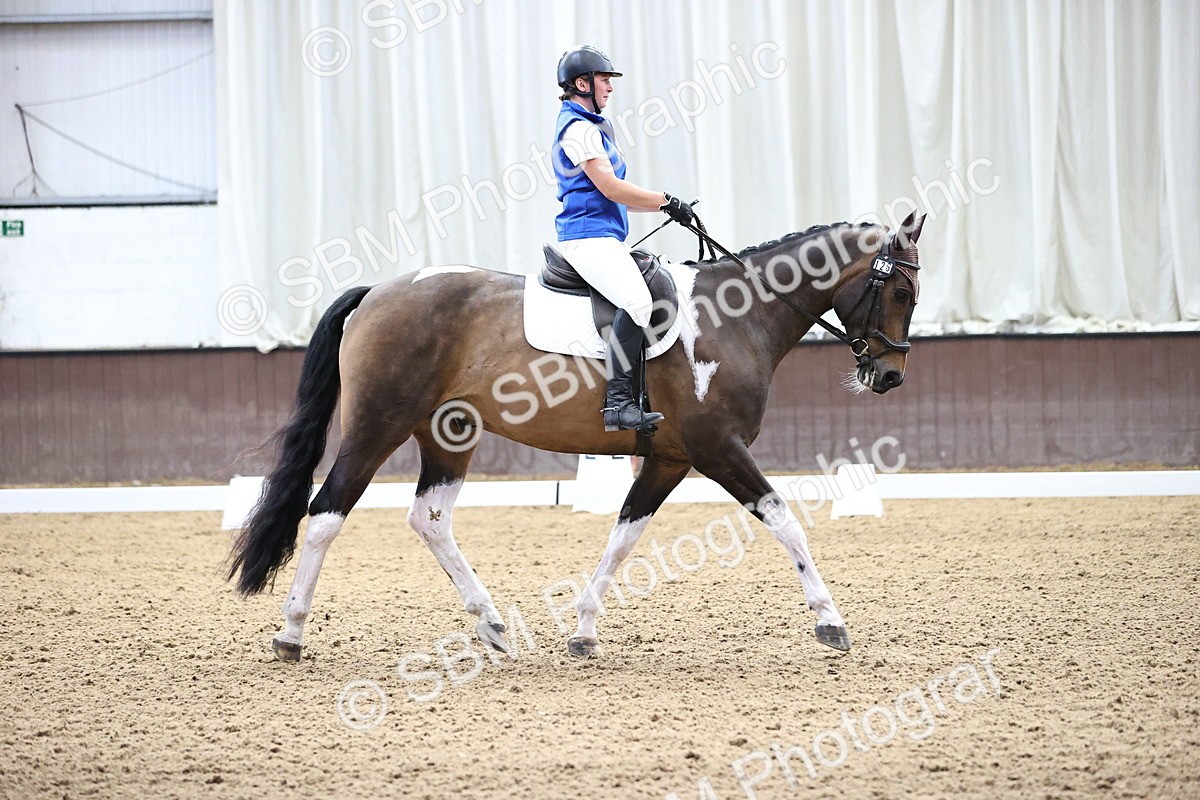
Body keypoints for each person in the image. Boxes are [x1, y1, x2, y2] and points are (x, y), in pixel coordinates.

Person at [552, 45, 695, 432]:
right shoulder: (578, 129)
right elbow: (611, 187)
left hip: (606, 236)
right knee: (636, 301)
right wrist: (665, 200)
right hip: (587, 238)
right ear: (582, 84)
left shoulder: (596, 126)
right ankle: (617, 404)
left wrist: (667, 209)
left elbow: (616, 196)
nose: (610, 88)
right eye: (604, 80)